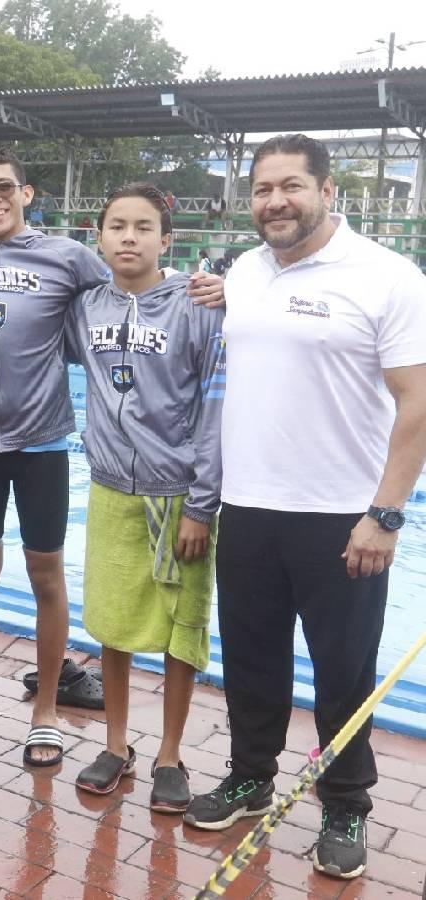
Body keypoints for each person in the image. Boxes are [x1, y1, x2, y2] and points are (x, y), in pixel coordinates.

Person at [182, 135, 426, 880]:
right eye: (262, 189)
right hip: (250, 507)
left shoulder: (388, 277)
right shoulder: (246, 274)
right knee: (251, 660)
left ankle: (346, 802)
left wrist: (385, 514)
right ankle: (252, 775)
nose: (275, 201)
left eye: (291, 185)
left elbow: (416, 399)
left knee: (343, 672)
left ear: (327, 191)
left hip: (342, 515)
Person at [0, 144, 223, 765]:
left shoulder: (69, 258)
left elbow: (135, 288)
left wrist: (205, 284)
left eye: (4, 187)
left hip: (43, 446)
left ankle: (45, 711)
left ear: (27, 193)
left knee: (45, 577)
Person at [65, 183, 225, 811]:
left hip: (178, 494)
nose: (128, 237)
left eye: (142, 227)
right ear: (99, 238)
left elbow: (216, 407)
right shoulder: (84, 308)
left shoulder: (196, 306)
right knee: (112, 622)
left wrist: (201, 504)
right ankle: (116, 743)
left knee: (180, 630)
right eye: (116, 227)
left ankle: (170, 753)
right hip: (111, 490)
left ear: (167, 239)